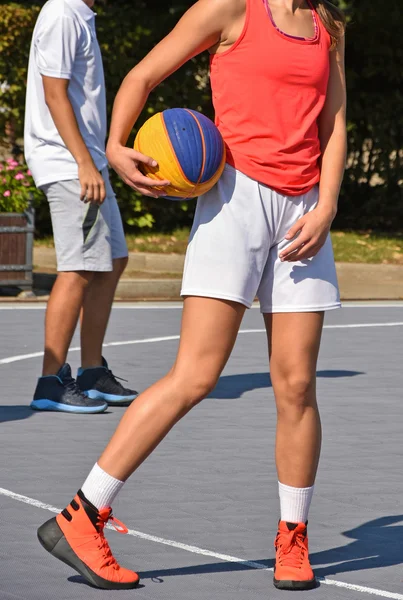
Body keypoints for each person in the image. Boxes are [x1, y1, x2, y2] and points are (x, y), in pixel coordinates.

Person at [36, 0, 346, 590]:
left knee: (298, 386)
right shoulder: (229, 8)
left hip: (304, 212)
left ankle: (292, 535)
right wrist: (115, 147)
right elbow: (142, 75)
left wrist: (327, 205)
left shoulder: (326, 25)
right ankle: (84, 515)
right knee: (195, 375)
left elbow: (333, 122)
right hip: (236, 201)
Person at [24, 0, 139, 414]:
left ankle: (92, 371)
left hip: (87, 160)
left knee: (113, 260)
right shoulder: (61, 12)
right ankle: (50, 381)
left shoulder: (79, 15)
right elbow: (53, 93)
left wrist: (94, 160)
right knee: (79, 268)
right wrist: (83, 161)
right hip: (69, 161)